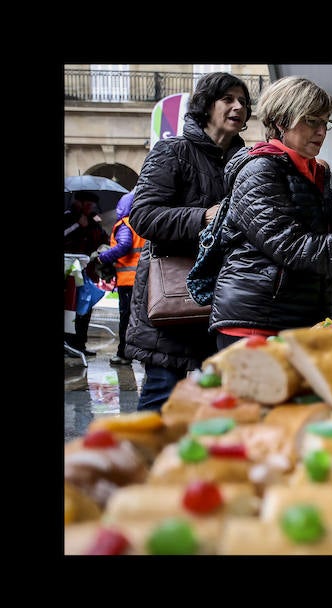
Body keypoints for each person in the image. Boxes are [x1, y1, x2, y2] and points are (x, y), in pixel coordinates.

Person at [208, 77, 332, 350]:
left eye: (325, 122)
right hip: (257, 324)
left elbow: (319, 243)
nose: (321, 131)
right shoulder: (260, 171)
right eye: (311, 120)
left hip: (298, 320)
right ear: (280, 121)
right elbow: (290, 246)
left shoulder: (313, 175)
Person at [125, 72, 251, 412]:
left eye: (242, 101)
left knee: (215, 408)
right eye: (228, 99)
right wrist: (203, 217)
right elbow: (144, 215)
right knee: (162, 401)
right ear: (206, 106)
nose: (238, 106)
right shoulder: (173, 150)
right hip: (174, 305)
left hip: (224, 303)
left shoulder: (246, 163)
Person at [92, 190, 145, 365]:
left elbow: (124, 245)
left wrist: (102, 258)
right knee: (140, 318)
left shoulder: (125, 224)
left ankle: (123, 354)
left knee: (126, 318)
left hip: (128, 280)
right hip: (141, 278)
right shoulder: (139, 223)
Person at [64, 191, 109, 356]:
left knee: (85, 308)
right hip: (67, 273)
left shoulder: (94, 221)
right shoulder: (68, 217)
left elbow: (103, 241)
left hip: (86, 272)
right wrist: (77, 225)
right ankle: (68, 343)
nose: (93, 207)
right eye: (89, 203)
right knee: (69, 308)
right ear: (80, 203)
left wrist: (98, 229)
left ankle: (80, 344)